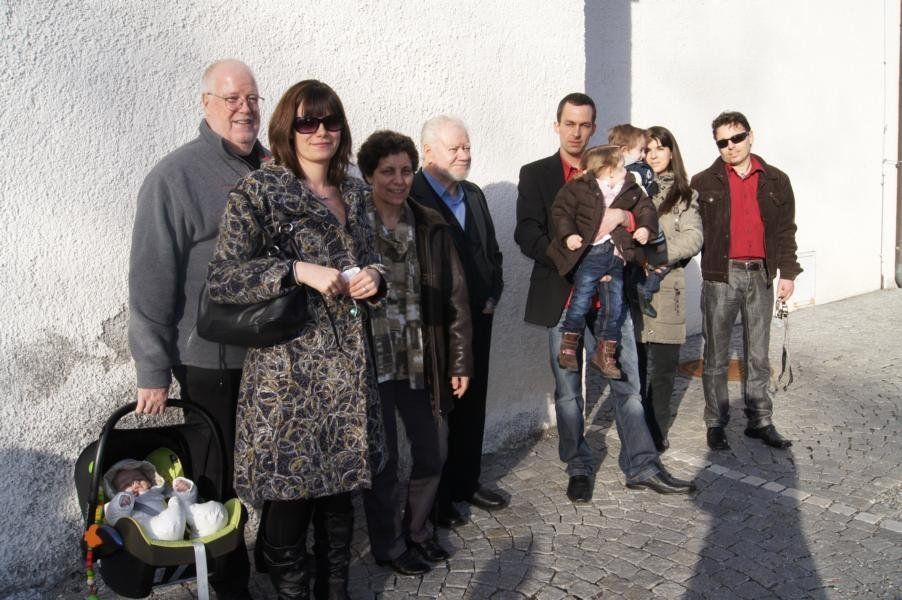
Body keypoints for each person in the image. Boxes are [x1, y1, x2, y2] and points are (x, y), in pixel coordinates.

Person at [206, 79, 386, 600]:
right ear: (289, 127)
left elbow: (373, 257)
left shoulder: (356, 192)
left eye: (331, 121)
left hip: (348, 373)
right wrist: (295, 270)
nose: (320, 131)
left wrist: (375, 277)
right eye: (308, 121)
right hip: (289, 378)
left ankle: (336, 592)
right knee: (290, 499)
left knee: (339, 499)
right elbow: (222, 278)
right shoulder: (260, 191)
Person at [127, 58, 267, 599]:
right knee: (216, 480)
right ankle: (230, 585)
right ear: (206, 105)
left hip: (273, 354)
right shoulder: (175, 177)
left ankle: (276, 559)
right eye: (231, 98)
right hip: (211, 361)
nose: (244, 109)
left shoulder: (271, 168)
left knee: (275, 466)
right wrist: (152, 368)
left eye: (252, 98)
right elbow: (151, 278)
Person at [515, 93, 695, 504]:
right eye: (569, 124)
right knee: (567, 390)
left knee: (627, 382)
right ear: (557, 125)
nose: (576, 132)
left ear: (594, 128)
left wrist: (626, 218)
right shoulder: (537, 173)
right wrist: (568, 258)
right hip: (563, 296)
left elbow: (642, 212)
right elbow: (526, 232)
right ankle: (578, 465)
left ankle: (642, 465)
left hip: (611, 297)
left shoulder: (614, 170)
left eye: (584, 125)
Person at [357, 130, 473, 575]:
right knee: (383, 463)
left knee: (432, 451)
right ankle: (389, 546)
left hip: (420, 360)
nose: (399, 180)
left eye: (406, 171)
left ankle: (418, 530)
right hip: (371, 364)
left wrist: (459, 361)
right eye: (388, 171)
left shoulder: (429, 223)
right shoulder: (352, 224)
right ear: (369, 175)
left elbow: (456, 299)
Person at [409, 115, 506, 528]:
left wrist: (493, 293)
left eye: (467, 147)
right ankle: (439, 497)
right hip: (437, 325)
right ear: (428, 152)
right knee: (439, 412)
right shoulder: (412, 197)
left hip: (478, 320)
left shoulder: (473, 194)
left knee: (473, 403)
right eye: (455, 148)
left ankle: (467, 481)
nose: (464, 155)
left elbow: (491, 252)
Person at [691, 111, 801, 451]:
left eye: (736, 138)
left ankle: (760, 421)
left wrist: (788, 272)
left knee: (757, 353)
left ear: (750, 136)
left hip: (761, 274)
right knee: (716, 355)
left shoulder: (776, 180)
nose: (731, 146)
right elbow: (690, 231)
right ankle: (716, 422)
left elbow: (785, 230)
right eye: (722, 142)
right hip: (721, 276)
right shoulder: (703, 182)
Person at [548, 144, 656, 379]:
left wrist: (645, 228)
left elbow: (646, 209)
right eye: (621, 167)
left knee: (614, 305)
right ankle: (568, 346)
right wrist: (569, 235)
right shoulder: (579, 187)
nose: (625, 171)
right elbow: (561, 212)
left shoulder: (630, 187)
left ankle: (605, 353)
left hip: (616, 255)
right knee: (582, 298)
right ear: (607, 170)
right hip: (591, 254)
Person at [635, 126, 703, 452]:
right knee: (634, 367)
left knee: (663, 368)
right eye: (648, 150)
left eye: (659, 148)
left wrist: (659, 254)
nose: (654, 155)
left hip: (667, 289)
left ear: (671, 152)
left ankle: (657, 429)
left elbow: (694, 237)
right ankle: (635, 428)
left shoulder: (685, 196)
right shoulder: (633, 189)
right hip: (633, 287)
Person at [103, 459, 228, 541]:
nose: (135, 483)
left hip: (186, 525)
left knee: (215, 512)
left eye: (139, 478)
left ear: (151, 480)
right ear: (116, 493)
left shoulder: (163, 493)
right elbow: (112, 516)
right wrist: (121, 502)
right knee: (166, 525)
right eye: (126, 484)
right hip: (152, 532)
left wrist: (185, 490)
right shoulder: (123, 507)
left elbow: (186, 501)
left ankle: (206, 526)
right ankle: (172, 529)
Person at [608, 123, 657, 197]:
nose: (644, 155)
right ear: (624, 151)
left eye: (645, 151)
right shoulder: (630, 172)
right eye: (641, 150)